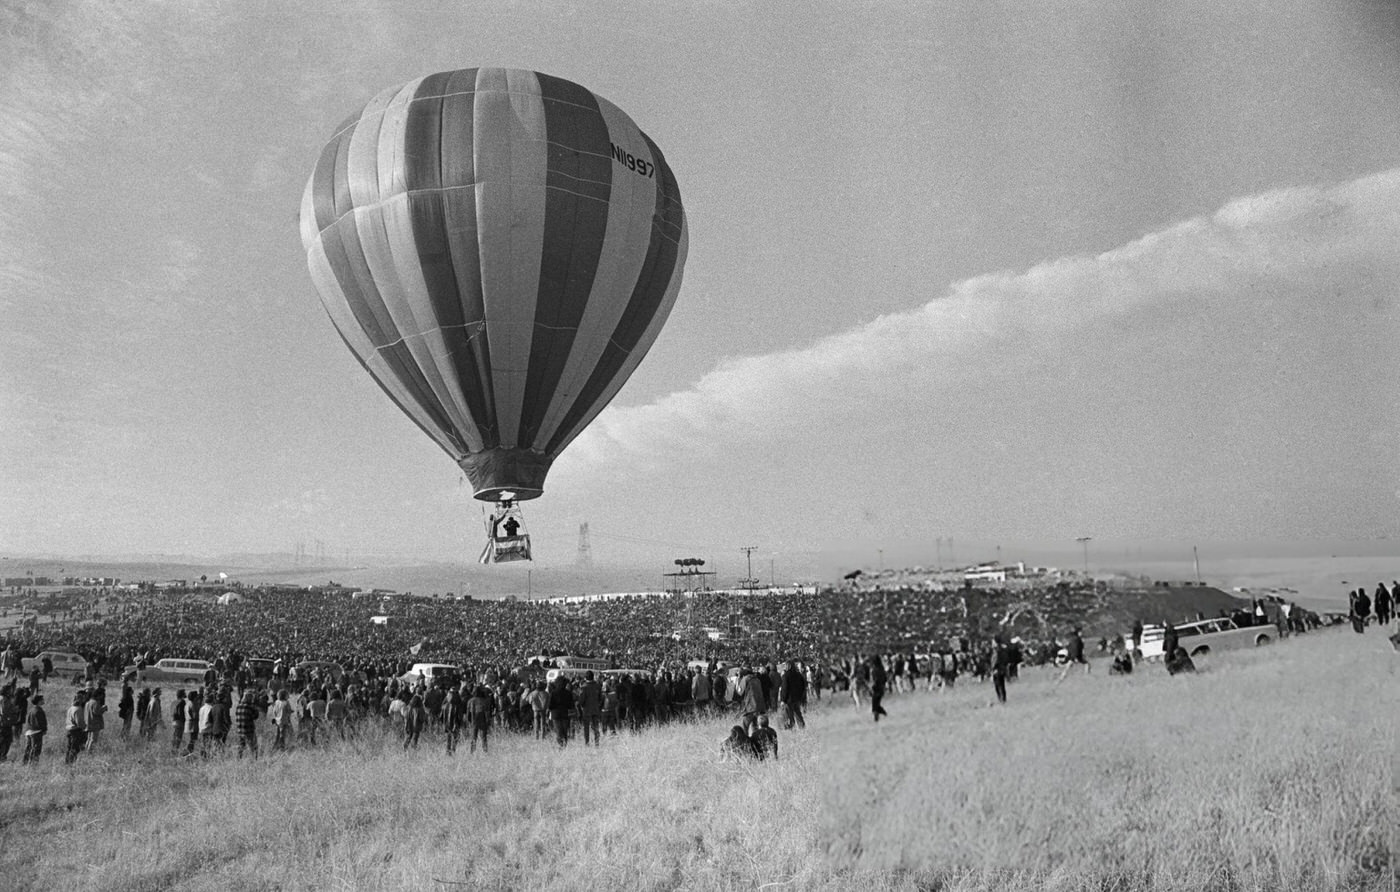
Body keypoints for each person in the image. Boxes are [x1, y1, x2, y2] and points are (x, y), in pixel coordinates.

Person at [778, 661, 806, 730]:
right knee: (798, 714)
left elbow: (784, 688)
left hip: (788, 700)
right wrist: (801, 697)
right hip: (797, 699)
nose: (784, 667)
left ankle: (792, 730)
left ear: (788, 666)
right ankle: (802, 728)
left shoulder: (785, 676)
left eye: (785, 665)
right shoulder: (799, 675)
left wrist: (783, 700)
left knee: (790, 716)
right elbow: (803, 686)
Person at [466, 685, 493, 754]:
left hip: (473, 721)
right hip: (483, 721)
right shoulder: (484, 701)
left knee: (473, 738)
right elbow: (487, 713)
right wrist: (488, 722)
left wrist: (469, 721)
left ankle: (472, 752)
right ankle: (485, 751)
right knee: (483, 738)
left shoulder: (470, 701)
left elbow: (468, 714)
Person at [548, 677, 574, 748]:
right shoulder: (568, 693)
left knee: (558, 731)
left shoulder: (553, 692)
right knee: (565, 731)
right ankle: (564, 746)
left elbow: (550, 705)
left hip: (555, 714)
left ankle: (560, 746)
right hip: (565, 714)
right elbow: (571, 705)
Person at [578, 671, 602, 746]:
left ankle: (587, 743)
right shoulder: (598, 686)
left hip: (587, 710)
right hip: (596, 709)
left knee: (586, 727)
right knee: (596, 727)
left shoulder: (584, 687)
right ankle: (597, 742)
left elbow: (581, 700)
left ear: (586, 678)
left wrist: (581, 706)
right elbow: (601, 698)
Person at [22, 694, 46, 765]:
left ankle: (25, 763)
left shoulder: (31, 710)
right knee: (36, 750)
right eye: (42, 699)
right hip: (36, 732)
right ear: (39, 701)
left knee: (28, 749)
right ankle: (33, 764)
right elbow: (41, 722)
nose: (43, 701)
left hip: (28, 732)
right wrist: (44, 730)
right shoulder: (39, 710)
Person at [234, 690, 259, 759]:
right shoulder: (249, 707)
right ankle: (254, 760)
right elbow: (255, 716)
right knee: (253, 747)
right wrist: (255, 708)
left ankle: (238, 759)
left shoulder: (238, 706)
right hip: (249, 730)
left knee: (241, 746)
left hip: (240, 730)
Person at [64, 691, 87, 765]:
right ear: (80, 700)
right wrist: (85, 728)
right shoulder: (78, 709)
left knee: (69, 748)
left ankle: (67, 763)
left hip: (69, 730)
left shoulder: (71, 708)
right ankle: (71, 763)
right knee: (75, 749)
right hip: (76, 731)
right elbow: (79, 723)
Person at [83, 686, 105, 751]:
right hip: (95, 724)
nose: (101, 697)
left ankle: (86, 751)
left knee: (89, 739)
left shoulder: (88, 702)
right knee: (93, 740)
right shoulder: (95, 702)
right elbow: (97, 712)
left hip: (88, 723)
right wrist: (103, 709)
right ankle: (89, 753)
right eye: (100, 695)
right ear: (98, 695)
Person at [868, 654, 888, 721]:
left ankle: (877, 720)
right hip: (881, 689)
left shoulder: (874, 670)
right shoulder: (882, 668)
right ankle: (884, 714)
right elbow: (885, 678)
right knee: (877, 705)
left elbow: (875, 680)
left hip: (876, 689)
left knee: (875, 707)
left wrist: (871, 688)